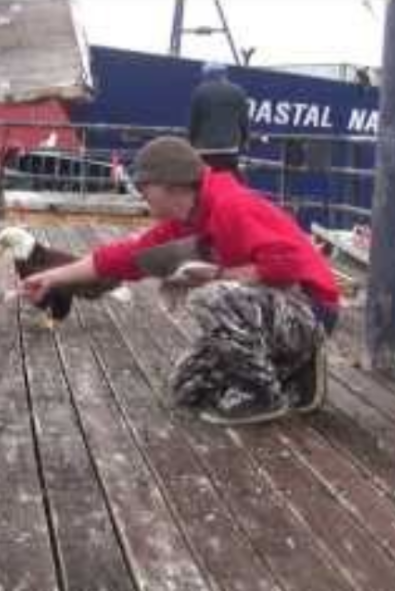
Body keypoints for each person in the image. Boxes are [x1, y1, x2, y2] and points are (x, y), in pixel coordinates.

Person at [18, 136, 340, 426]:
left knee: (210, 297)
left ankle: (263, 394)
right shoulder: (187, 220)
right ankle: (292, 369)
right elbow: (122, 257)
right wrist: (51, 279)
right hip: (269, 312)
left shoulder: (232, 206)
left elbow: (290, 264)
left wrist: (216, 276)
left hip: (311, 310)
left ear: (171, 186)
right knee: (187, 389)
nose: (143, 196)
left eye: (145, 189)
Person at [189, 62, 250, 177]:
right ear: (224, 74)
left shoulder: (200, 92)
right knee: (229, 181)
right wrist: (245, 140)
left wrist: (191, 143)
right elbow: (244, 121)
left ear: (206, 74)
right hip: (230, 149)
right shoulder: (238, 91)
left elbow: (194, 122)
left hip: (205, 150)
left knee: (205, 181)